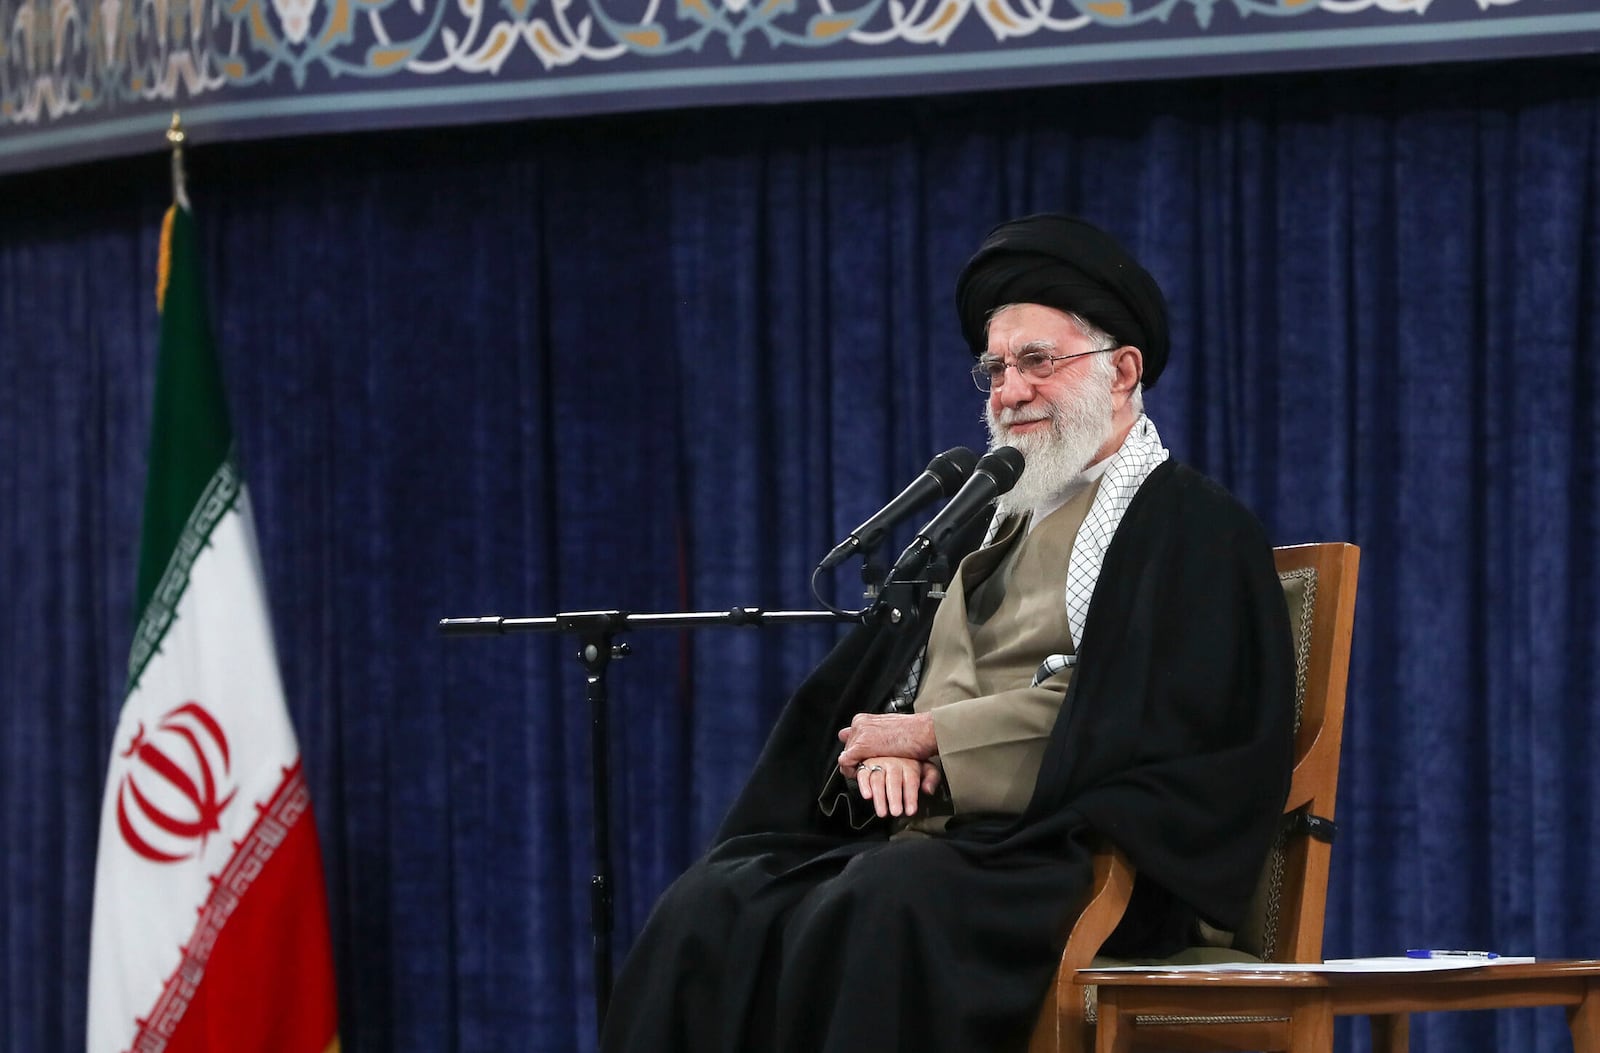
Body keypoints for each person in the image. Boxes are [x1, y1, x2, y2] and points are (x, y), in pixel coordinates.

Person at [600, 213, 1295, 1053]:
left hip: (1074, 856)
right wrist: (890, 744)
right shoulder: (987, 521)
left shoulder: (1187, 525)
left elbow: (1145, 710)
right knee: (715, 902)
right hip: (944, 845)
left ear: (1123, 370)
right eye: (996, 369)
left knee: (886, 899)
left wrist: (934, 740)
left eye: (1037, 361)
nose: (1009, 390)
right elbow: (908, 671)